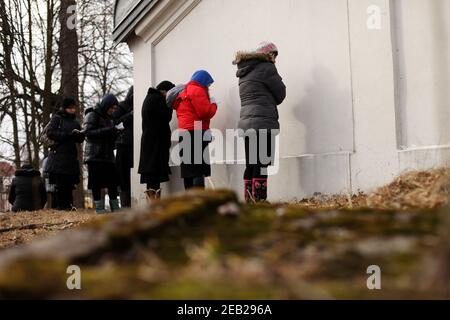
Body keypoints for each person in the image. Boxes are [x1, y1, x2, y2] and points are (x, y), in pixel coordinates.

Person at [233, 42, 286, 202]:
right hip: (263, 122)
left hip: (246, 123)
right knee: (262, 163)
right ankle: (260, 201)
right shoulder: (267, 68)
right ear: (266, 55)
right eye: (273, 55)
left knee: (251, 164)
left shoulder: (243, 72)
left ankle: (249, 201)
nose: (275, 60)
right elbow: (281, 93)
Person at [173, 70, 218, 190]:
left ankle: (189, 202)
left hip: (184, 133)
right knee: (198, 169)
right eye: (208, 84)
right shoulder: (197, 90)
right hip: (196, 132)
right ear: (203, 81)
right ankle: (199, 201)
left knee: (188, 171)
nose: (208, 87)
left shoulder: (184, 91)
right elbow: (205, 112)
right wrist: (213, 104)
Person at [83, 94, 122, 214]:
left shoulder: (110, 118)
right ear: (106, 105)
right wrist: (109, 130)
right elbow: (88, 133)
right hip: (95, 155)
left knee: (113, 183)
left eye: (115, 109)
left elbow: (108, 135)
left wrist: (116, 133)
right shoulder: (92, 114)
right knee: (96, 183)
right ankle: (99, 208)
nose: (113, 111)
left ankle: (115, 207)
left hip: (108, 155)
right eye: (111, 108)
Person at [138, 81, 175, 202]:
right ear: (164, 91)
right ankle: (155, 205)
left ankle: (153, 204)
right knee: (154, 177)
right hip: (155, 145)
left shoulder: (150, 98)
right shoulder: (157, 100)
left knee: (151, 178)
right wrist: (170, 105)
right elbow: (166, 116)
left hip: (151, 144)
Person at [45, 98, 85, 210]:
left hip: (71, 157)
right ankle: (61, 207)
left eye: (74, 107)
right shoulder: (57, 118)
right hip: (58, 156)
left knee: (70, 184)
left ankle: (69, 206)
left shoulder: (76, 122)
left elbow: (79, 139)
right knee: (61, 184)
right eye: (70, 108)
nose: (72, 110)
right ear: (65, 108)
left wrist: (80, 135)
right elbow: (50, 133)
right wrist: (68, 135)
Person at [114, 86, 134, 208]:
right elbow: (115, 123)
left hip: (134, 144)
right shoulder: (122, 106)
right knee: (123, 177)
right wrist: (130, 115)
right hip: (122, 145)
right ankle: (125, 205)